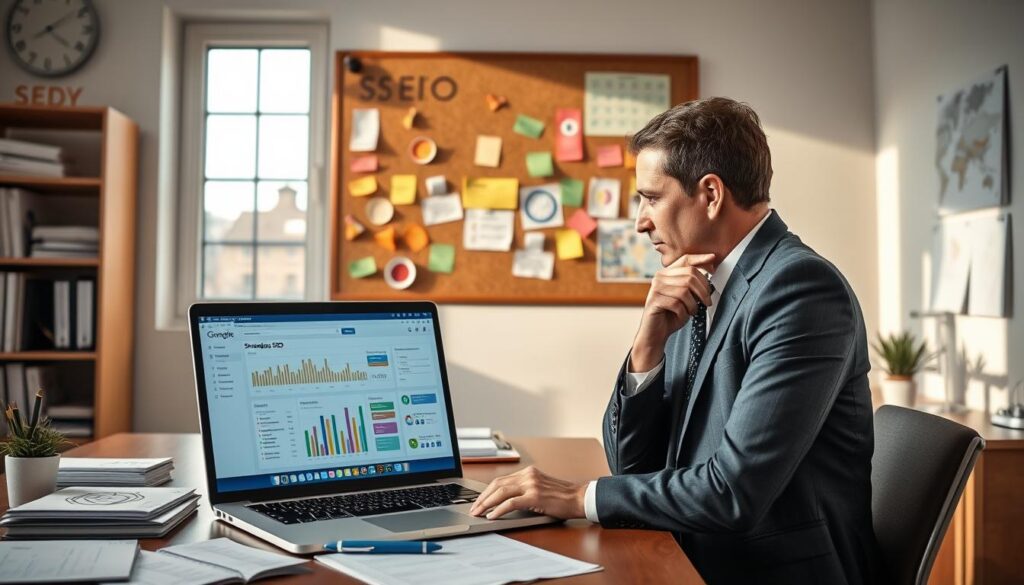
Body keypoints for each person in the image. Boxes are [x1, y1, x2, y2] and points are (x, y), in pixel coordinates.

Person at [469, 97, 880, 584]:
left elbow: (733, 492)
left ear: (710, 194)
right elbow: (632, 466)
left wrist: (576, 496)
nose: (640, 220)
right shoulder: (697, 278)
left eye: (651, 197)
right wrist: (648, 345)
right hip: (693, 550)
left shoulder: (801, 290)